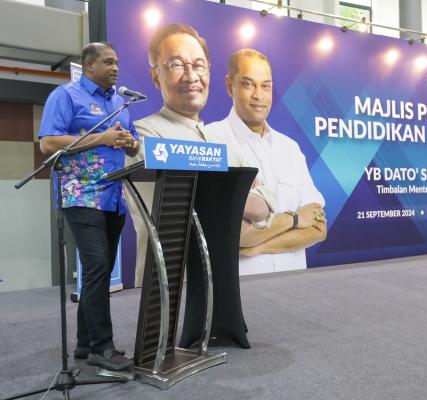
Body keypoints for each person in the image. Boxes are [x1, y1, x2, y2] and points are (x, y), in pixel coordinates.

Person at [127, 24, 273, 286]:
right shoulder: (143, 135)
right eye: (176, 64)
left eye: (199, 65)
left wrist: (210, 190)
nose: (191, 76)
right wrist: (235, 195)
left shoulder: (222, 139)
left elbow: (265, 206)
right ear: (155, 76)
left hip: (222, 279)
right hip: (170, 283)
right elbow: (179, 209)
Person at [39, 42, 139, 371]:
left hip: (113, 197)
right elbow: (48, 143)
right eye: (108, 62)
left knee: (100, 271)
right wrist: (102, 138)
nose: (115, 68)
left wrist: (130, 142)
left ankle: (84, 343)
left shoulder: (120, 103)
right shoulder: (65, 96)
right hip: (80, 194)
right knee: (96, 266)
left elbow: (132, 143)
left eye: (117, 62)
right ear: (89, 65)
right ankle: (102, 348)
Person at [205, 48, 327, 275]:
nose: (258, 95)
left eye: (266, 86)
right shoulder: (210, 142)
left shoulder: (290, 149)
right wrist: (295, 219)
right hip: (242, 286)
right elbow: (232, 235)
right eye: (248, 84)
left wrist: (259, 246)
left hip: (295, 284)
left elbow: (319, 228)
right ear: (229, 86)